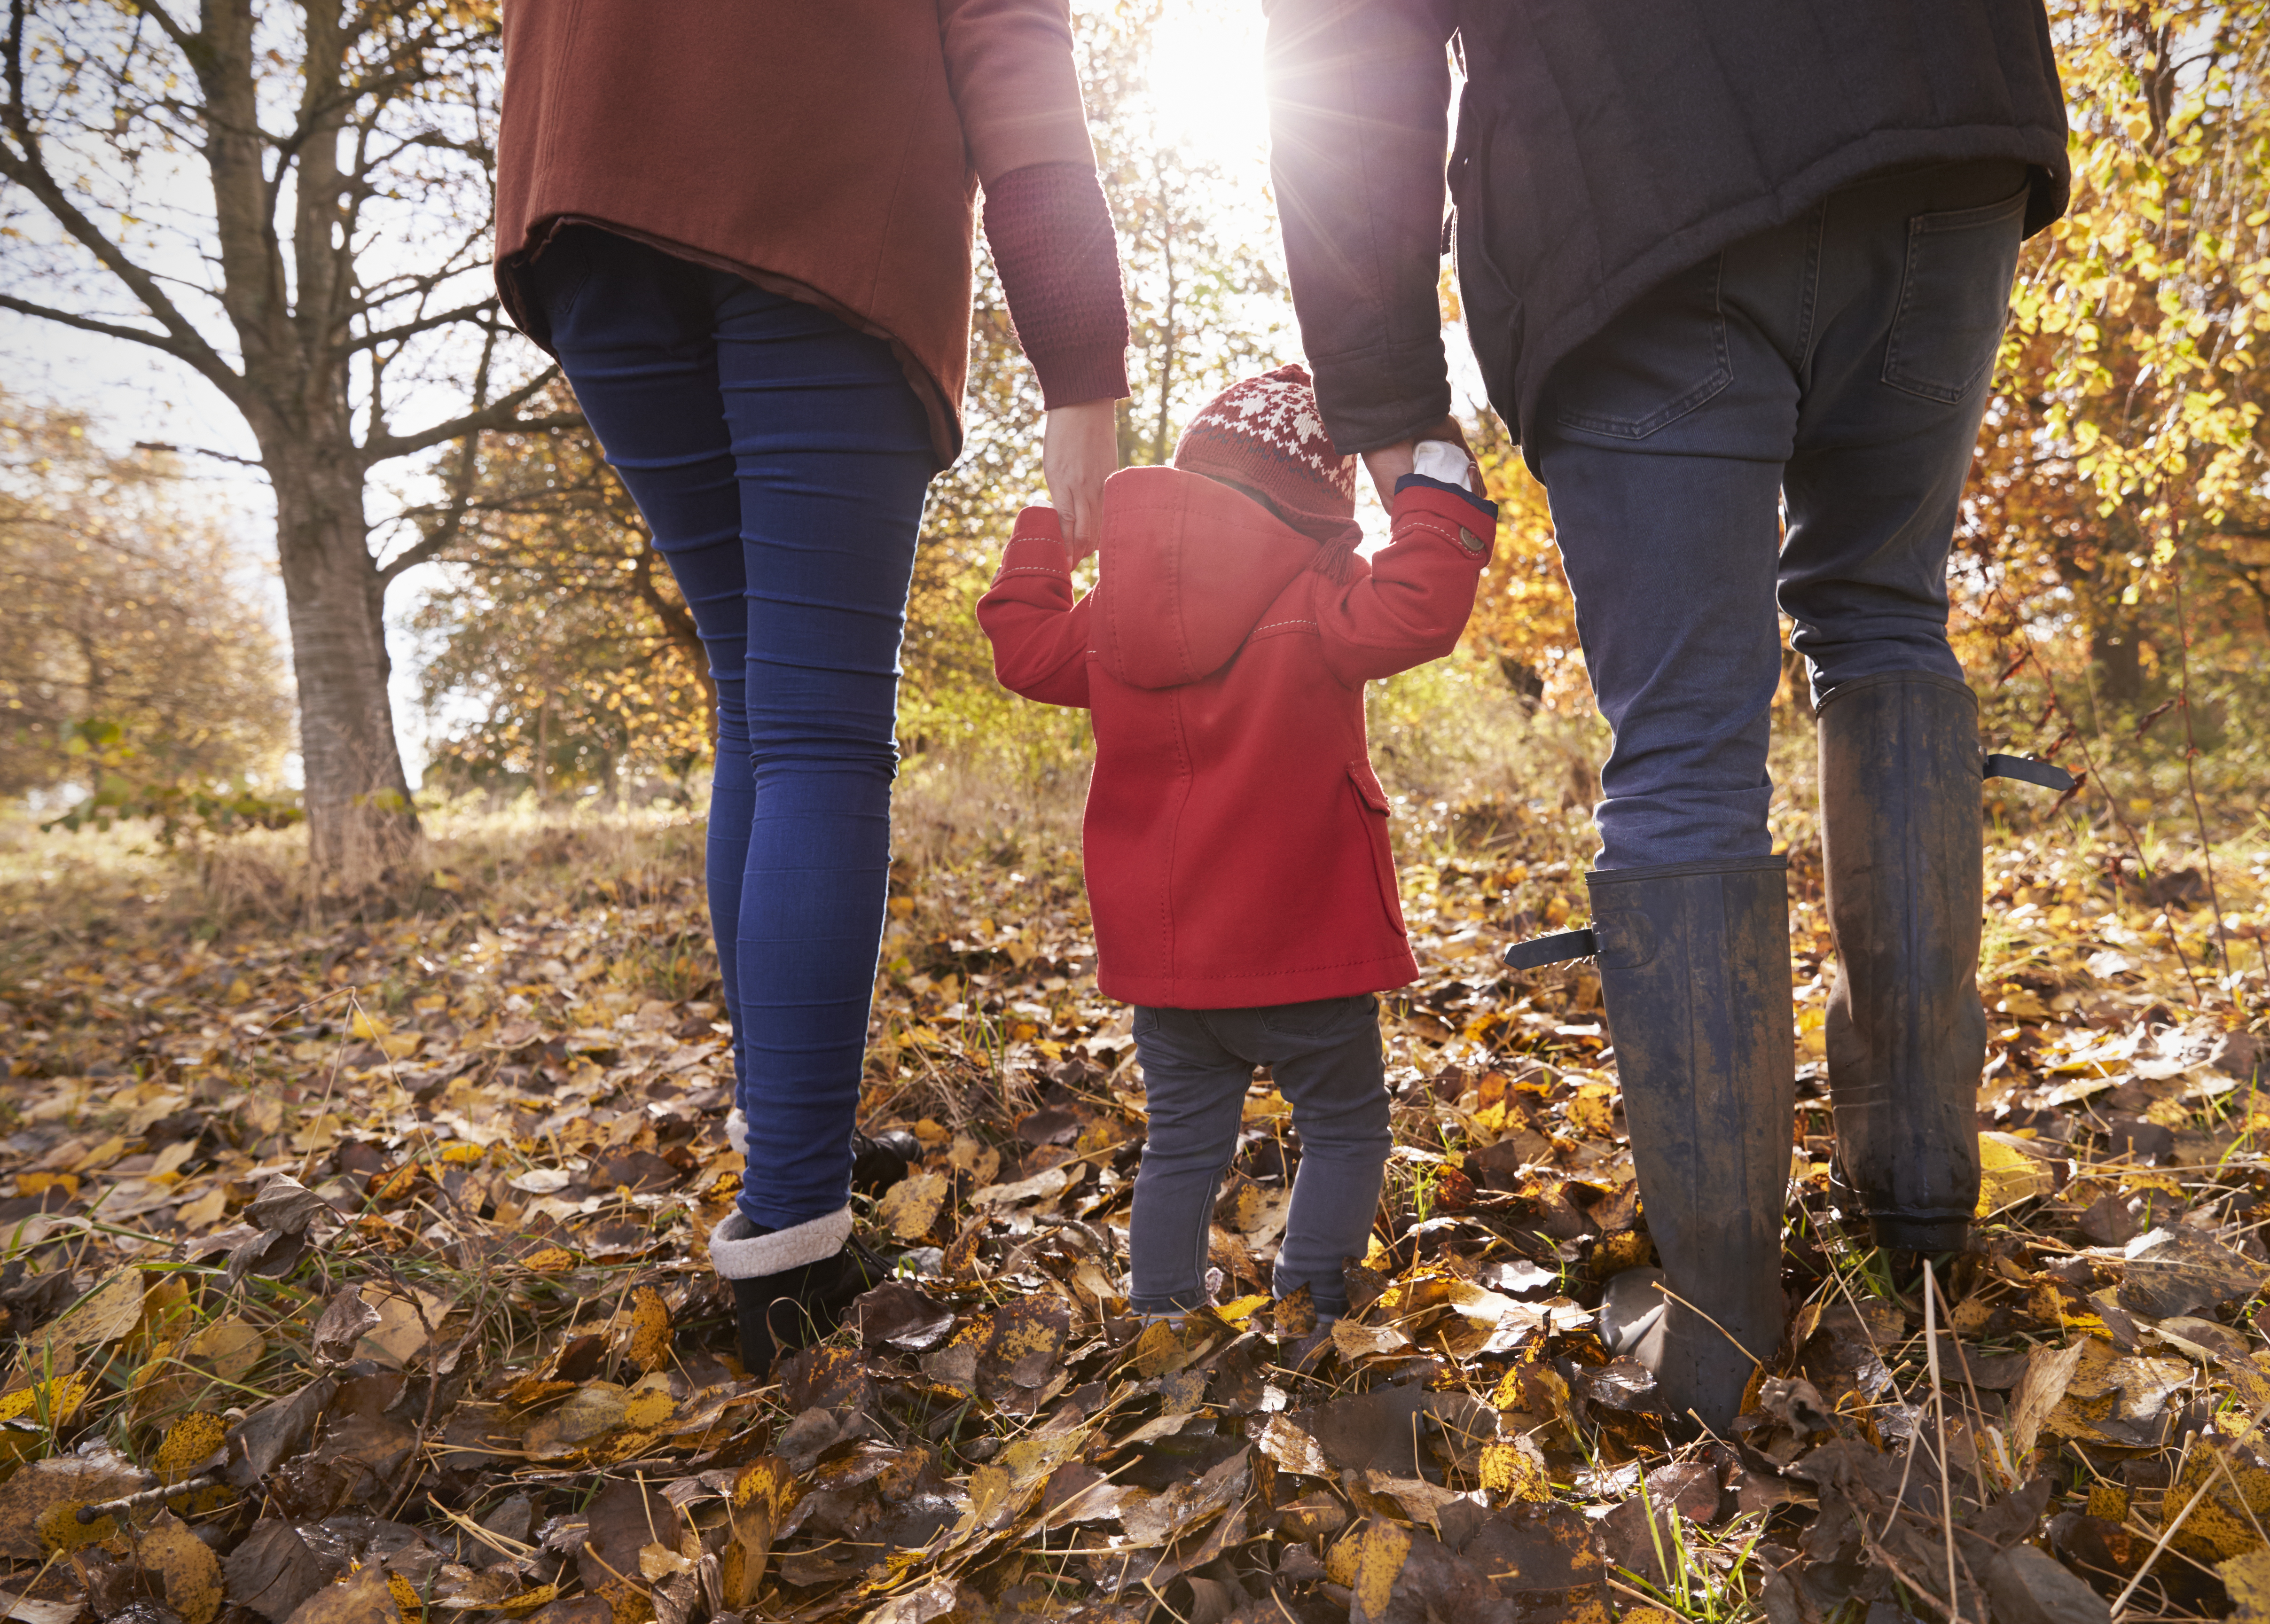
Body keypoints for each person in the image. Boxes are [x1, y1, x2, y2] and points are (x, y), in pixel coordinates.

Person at [1264, 0, 2074, 1428]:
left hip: (1631, 172)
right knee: (1885, 619)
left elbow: (1345, 39)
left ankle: (1718, 1327)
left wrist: (1388, 394)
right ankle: (1925, 1197)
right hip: (1942, 113)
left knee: (1690, 745)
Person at [492, 0, 1131, 1376]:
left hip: (589, 196)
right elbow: (1010, 52)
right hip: (825, 205)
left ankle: (800, 1139)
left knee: (758, 700)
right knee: (820, 733)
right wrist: (1082, 362)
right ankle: (791, 1233)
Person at [976, 366, 1497, 1327]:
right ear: (1318, 505)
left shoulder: (1116, 612)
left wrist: (1052, 527)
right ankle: (1312, 1297)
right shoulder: (1319, 593)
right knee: (1343, 1127)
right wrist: (1435, 484)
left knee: (1182, 1141)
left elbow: (1023, 648)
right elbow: (1425, 603)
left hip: (1172, 966)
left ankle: (1164, 1314)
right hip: (1305, 949)